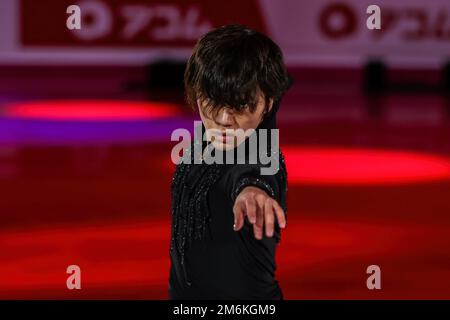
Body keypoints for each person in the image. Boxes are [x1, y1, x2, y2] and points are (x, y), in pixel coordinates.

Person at [169, 24, 291, 300]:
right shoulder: (200, 145)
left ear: (268, 104)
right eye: (213, 101)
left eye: (241, 105)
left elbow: (254, 173)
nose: (224, 120)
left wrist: (253, 191)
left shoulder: (262, 154)